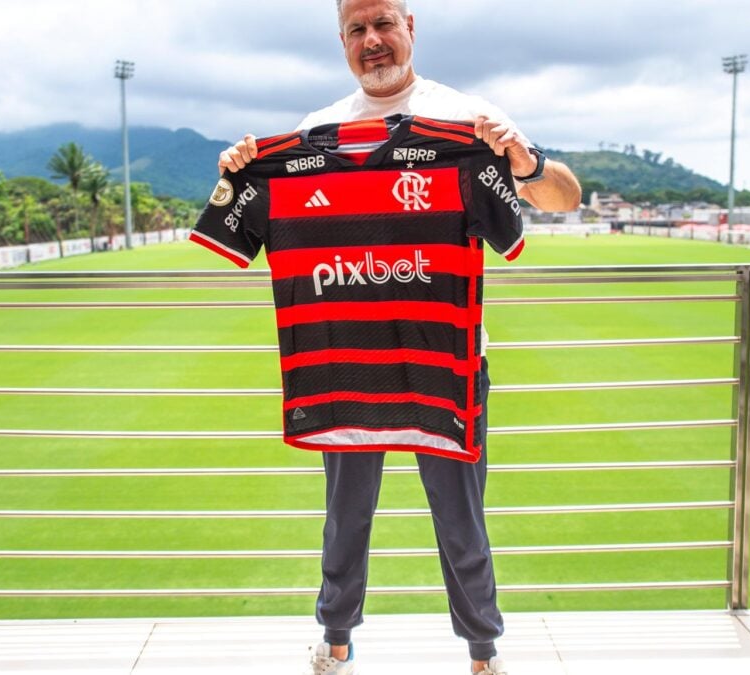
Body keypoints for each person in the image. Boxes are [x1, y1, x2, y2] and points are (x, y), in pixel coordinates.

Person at [216, 2, 582, 673]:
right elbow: (243, 222)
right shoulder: (311, 133)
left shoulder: (467, 122)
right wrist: (237, 171)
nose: (373, 40)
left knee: (461, 519)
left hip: (446, 360)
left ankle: (482, 650)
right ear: (342, 41)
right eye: (357, 29)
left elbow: (565, 198)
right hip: (345, 362)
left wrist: (525, 163)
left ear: (411, 26)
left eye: (383, 23)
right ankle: (334, 638)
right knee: (344, 518)